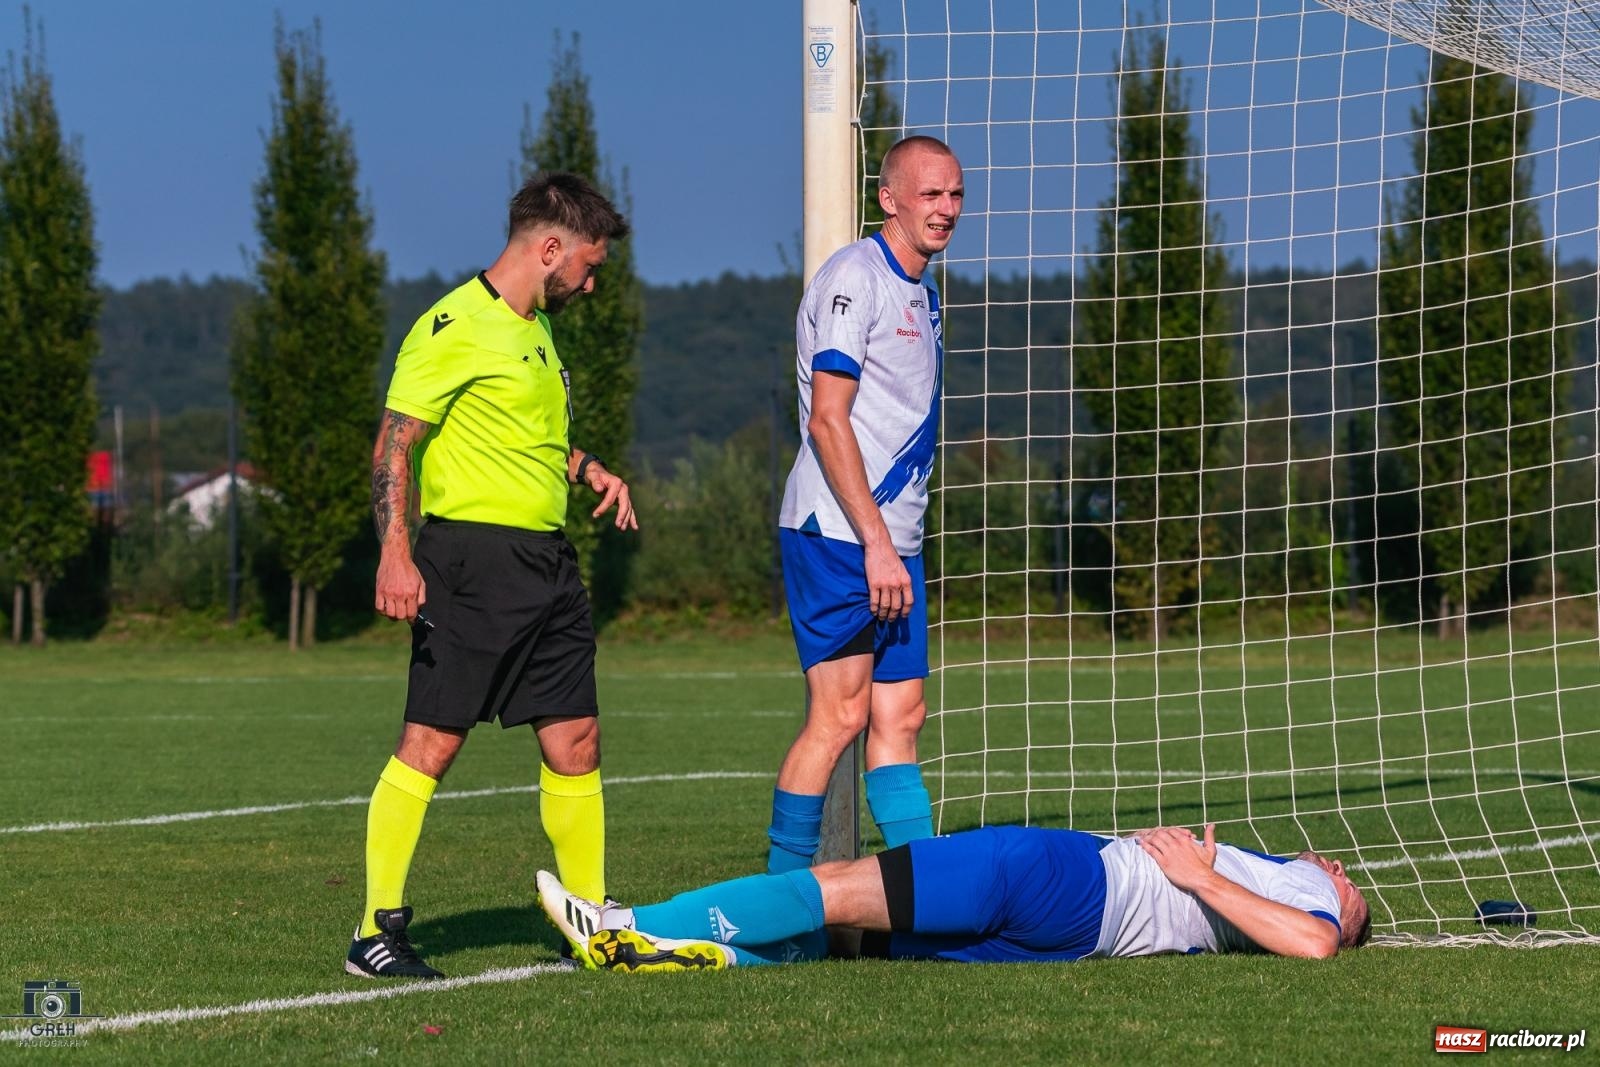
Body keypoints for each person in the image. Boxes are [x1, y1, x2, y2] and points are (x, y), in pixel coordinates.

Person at [346, 172, 636, 980]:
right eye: (588, 265)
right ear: (550, 248)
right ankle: (374, 931)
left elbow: (523, 435)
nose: (591, 282)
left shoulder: (537, 331)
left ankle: (591, 920)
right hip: (469, 565)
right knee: (431, 743)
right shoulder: (452, 326)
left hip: (549, 564)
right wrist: (395, 551)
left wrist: (587, 468)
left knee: (577, 738)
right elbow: (394, 444)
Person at [768, 135, 965, 876]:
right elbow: (828, 419)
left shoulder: (923, 291)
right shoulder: (856, 276)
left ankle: (926, 898)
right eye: (930, 194)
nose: (946, 209)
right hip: (840, 534)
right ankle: (784, 903)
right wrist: (878, 544)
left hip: (892, 539)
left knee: (901, 718)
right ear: (889, 199)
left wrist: (894, 544)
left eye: (955, 194)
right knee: (841, 715)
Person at [537, 823, 1372, 972]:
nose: (1341, 867)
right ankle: (700, 951)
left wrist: (1197, 874)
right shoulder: (1274, 878)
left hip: (1061, 878)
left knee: (837, 887)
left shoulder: (1311, 893)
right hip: (1073, 936)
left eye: (1350, 881)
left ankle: (625, 924)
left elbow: (1316, 941)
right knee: (850, 938)